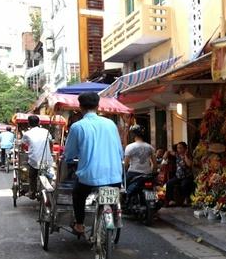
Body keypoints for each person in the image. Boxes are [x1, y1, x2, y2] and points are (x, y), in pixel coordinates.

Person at [64, 92, 123, 235]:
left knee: (78, 194)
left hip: (89, 178)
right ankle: (115, 215)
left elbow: (69, 153)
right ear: (98, 106)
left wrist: (69, 159)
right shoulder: (111, 124)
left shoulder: (78, 126)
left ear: (80, 107)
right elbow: (120, 151)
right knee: (112, 197)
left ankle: (79, 224)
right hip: (115, 176)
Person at [21, 115, 53, 199]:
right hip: (46, 159)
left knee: (32, 176)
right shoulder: (46, 131)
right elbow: (51, 143)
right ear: (39, 122)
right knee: (48, 173)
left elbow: (23, 145)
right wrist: (51, 151)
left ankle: (32, 192)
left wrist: (23, 150)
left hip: (34, 160)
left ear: (28, 123)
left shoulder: (27, 134)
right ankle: (48, 188)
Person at [124, 124, 156, 196]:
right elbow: (155, 165)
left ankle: (127, 200)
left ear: (133, 135)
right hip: (147, 174)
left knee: (126, 190)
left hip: (133, 174)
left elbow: (126, 165)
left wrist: (125, 171)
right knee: (151, 190)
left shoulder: (129, 147)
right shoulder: (150, 147)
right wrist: (152, 173)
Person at [165, 141, 193, 206]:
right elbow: (167, 154)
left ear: (185, 148)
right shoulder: (177, 154)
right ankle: (171, 200)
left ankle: (186, 199)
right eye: (178, 148)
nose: (179, 149)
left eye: (181, 148)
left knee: (184, 184)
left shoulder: (188, 155)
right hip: (178, 176)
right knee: (169, 183)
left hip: (187, 176)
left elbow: (189, 164)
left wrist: (185, 156)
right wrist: (167, 153)